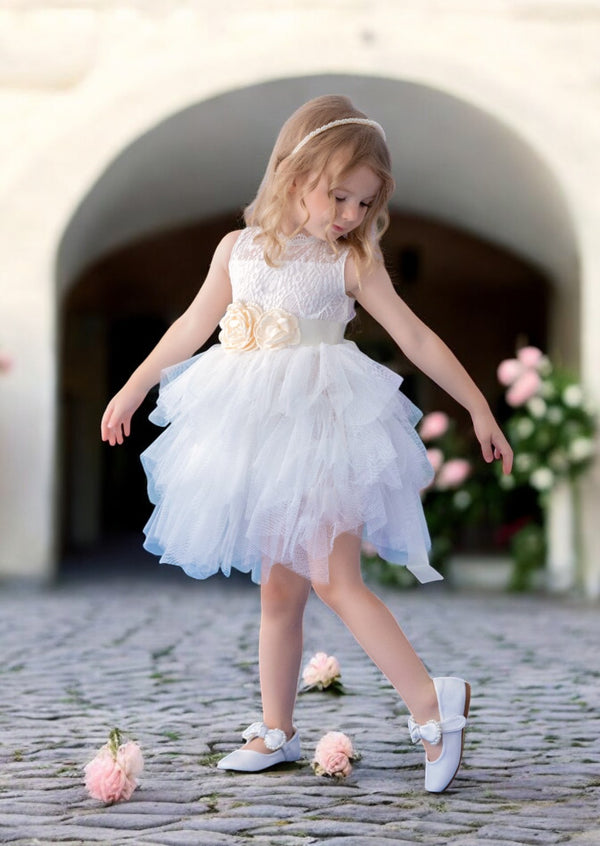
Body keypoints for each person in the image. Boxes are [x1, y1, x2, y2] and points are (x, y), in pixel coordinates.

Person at [101, 95, 513, 793]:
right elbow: (192, 327)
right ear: (295, 174)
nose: (350, 215)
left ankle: (430, 701)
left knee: (335, 578)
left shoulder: (348, 263)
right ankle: (278, 730)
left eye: (365, 202)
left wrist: (477, 404)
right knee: (280, 591)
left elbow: (415, 337)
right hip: (262, 438)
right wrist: (134, 386)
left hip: (326, 433)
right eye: (340, 196)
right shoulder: (237, 251)